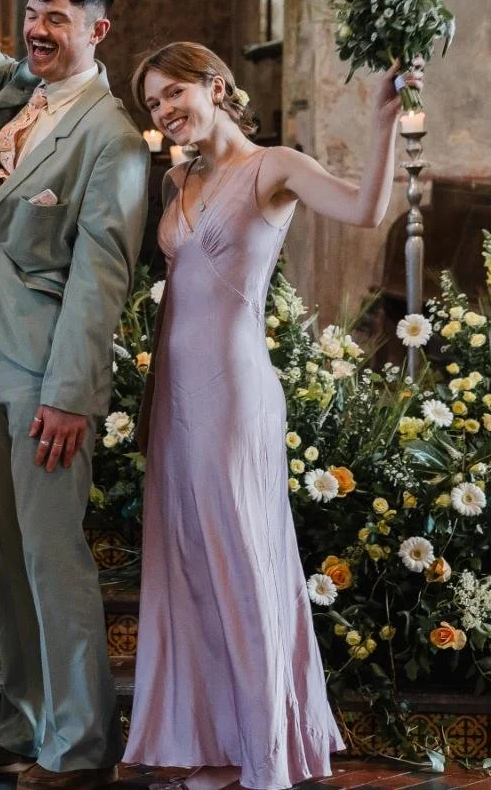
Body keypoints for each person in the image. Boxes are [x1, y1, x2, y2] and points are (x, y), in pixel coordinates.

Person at [124, 45, 415, 790]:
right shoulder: (175, 179)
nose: (164, 112)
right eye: (154, 104)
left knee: (241, 560)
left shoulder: (273, 165)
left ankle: (264, 753)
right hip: (178, 397)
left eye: (174, 94)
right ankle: (209, 745)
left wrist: (383, 119)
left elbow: (366, 208)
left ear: (216, 86)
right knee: (187, 564)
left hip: (234, 392)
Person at [0, 0, 149, 790]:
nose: (38, 28)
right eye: (33, 13)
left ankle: (78, 744)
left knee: (55, 558)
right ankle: (23, 720)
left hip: (51, 369)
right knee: (11, 554)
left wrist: (70, 396)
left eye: (58, 16)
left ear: (100, 29)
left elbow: (101, 278)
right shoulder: (19, 89)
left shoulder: (116, 140)